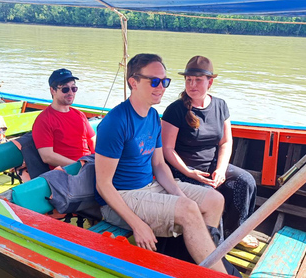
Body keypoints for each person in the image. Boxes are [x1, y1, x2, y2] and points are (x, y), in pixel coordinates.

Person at [95, 53, 234, 274]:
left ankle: (196, 262)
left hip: (149, 188)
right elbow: (103, 185)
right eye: (154, 81)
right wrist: (136, 224)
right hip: (122, 196)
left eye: (165, 81)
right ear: (133, 82)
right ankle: (219, 274)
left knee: (214, 199)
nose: (161, 87)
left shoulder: (152, 116)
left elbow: (159, 165)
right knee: (188, 210)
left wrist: (179, 194)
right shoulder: (116, 122)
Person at [161, 56, 258, 248]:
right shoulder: (175, 110)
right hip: (183, 169)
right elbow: (167, 149)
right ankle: (215, 244)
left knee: (246, 181)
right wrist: (189, 172)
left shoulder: (220, 105)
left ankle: (237, 233)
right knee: (214, 197)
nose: (192, 84)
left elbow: (225, 142)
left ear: (210, 82)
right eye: (189, 80)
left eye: (198, 80)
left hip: (212, 166)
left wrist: (221, 170)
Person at [32, 68, 96, 172]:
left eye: (74, 88)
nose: (71, 93)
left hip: (88, 164)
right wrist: (79, 166)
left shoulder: (79, 115)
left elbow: (92, 140)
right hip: (67, 171)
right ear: (53, 90)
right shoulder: (44, 120)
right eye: (65, 89)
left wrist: (100, 160)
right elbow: (47, 156)